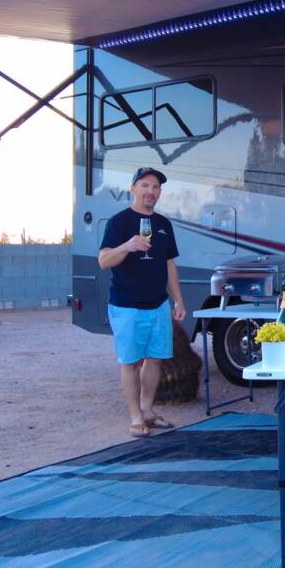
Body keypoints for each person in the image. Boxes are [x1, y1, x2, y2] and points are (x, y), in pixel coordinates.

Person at [98, 167, 186, 438]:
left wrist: (178, 300)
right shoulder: (119, 222)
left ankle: (148, 410)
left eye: (156, 187)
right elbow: (103, 261)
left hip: (158, 305)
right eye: (146, 185)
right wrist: (127, 246)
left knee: (156, 359)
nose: (151, 191)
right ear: (133, 188)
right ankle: (135, 415)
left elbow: (169, 264)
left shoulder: (163, 224)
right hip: (127, 306)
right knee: (130, 362)